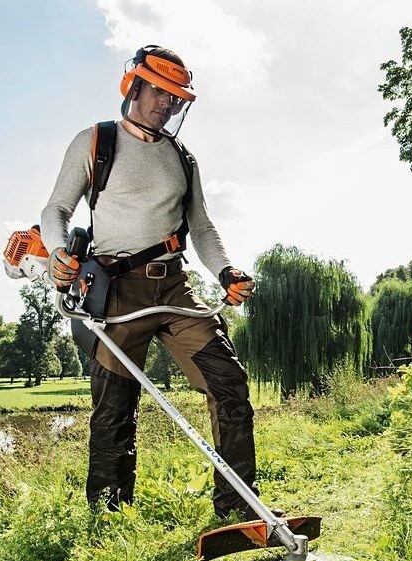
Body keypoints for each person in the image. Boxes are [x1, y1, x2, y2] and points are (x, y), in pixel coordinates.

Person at [41, 45, 271, 521]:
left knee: (228, 384)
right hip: (116, 291)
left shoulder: (183, 158)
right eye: (161, 93)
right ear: (135, 87)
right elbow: (56, 210)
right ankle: (109, 517)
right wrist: (59, 251)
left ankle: (238, 508)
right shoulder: (96, 142)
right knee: (113, 409)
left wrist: (227, 272)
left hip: (175, 289)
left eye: (176, 98)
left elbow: (203, 228)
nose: (167, 104)